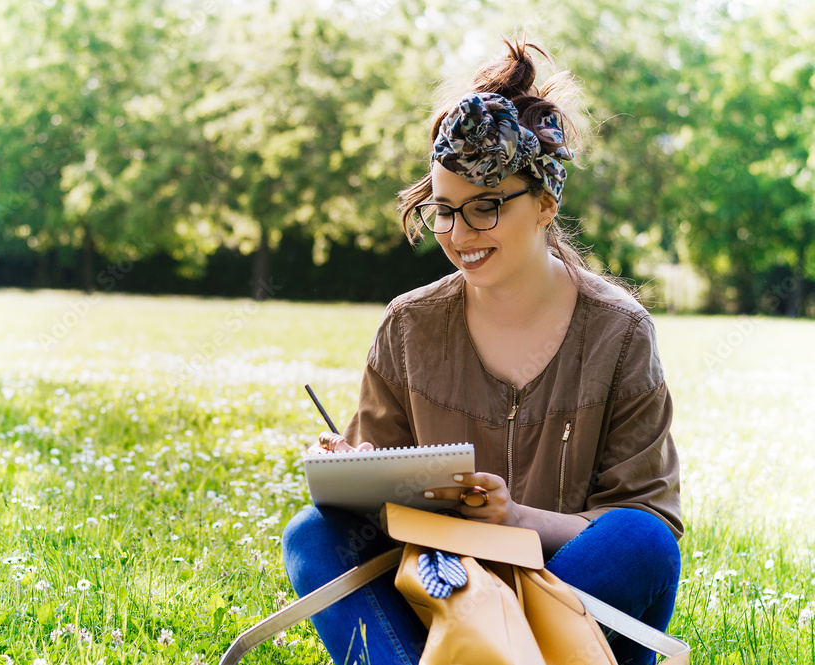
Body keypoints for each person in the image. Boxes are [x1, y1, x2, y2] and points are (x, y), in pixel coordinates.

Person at [281, 37, 682, 665]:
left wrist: (516, 518)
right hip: (443, 596)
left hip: (567, 606)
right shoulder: (409, 327)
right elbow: (376, 496)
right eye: (445, 211)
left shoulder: (619, 332)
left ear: (546, 203)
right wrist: (349, 469)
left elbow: (645, 520)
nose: (460, 234)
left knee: (641, 541)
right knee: (314, 534)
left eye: (486, 208)